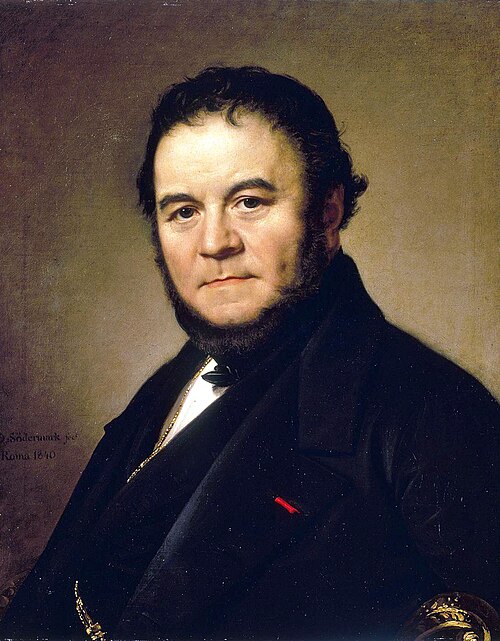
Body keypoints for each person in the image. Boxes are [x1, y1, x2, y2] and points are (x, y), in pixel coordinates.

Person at [1, 66, 498, 641]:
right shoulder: (172, 383)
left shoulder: (432, 410)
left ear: (327, 213)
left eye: (249, 202)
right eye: (183, 211)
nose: (215, 243)